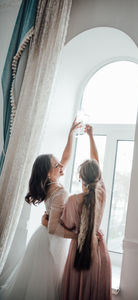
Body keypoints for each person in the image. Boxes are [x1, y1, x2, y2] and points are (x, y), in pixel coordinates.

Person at [0, 119, 80, 300]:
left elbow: (65, 157)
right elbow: (53, 227)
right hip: (51, 241)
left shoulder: (50, 184)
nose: (61, 166)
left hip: (43, 237)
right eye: (57, 165)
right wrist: (77, 235)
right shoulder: (60, 192)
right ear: (47, 173)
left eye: (59, 164)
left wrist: (71, 135)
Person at [43, 124, 112, 300]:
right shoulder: (101, 192)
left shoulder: (74, 200)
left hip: (80, 252)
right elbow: (95, 161)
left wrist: (46, 221)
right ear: (98, 176)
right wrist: (91, 136)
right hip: (99, 251)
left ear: (79, 177)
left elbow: (63, 226)